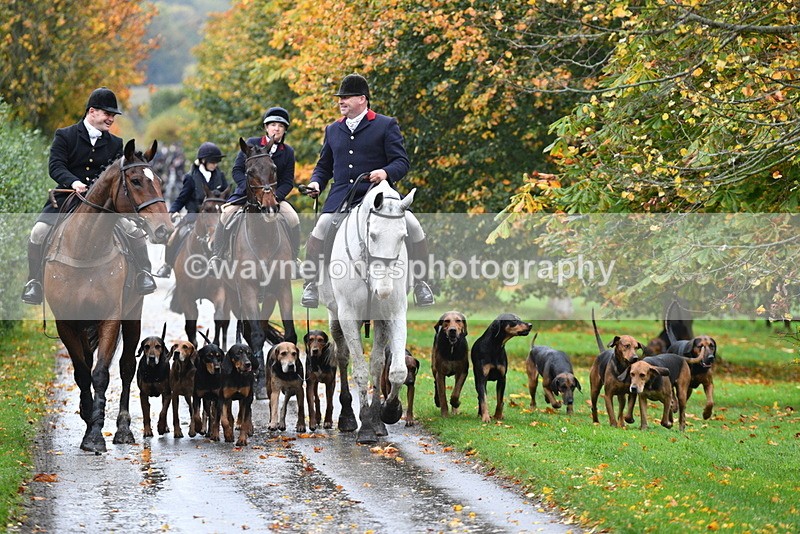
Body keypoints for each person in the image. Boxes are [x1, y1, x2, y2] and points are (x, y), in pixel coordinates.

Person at [300, 74, 434, 308]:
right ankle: (311, 283)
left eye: (346, 98)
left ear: (362, 99)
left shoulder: (385, 124)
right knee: (321, 226)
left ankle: (422, 282)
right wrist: (316, 183)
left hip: (379, 197)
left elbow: (401, 162)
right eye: (340, 98)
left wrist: (385, 172)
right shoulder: (332, 130)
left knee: (413, 225)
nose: (341, 102)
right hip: (342, 196)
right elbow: (324, 166)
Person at [21, 87, 157, 305]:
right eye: (107, 113)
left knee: (133, 231)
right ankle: (34, 282)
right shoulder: (65, 135)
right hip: (67, 198)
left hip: (104, 204)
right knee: (38, 231)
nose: (111, 118)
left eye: (113, 115)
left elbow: (116, 176)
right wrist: (74, 181)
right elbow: (55, 166)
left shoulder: (115, 143)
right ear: (92, 111)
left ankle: (143, 273)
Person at [209, 106, 301, 271]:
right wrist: (249, 190)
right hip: (247, 195)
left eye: (280, 126)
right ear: (266, 127)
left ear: (285, 129)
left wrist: (274, 196)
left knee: (294, 218)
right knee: (225, 215)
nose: (276, 128)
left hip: (273, 198)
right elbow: (237, 170)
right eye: (273, 124)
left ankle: (294, 259)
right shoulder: (251, 144)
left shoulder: (287, 152)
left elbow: (287, 181)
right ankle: (217, 256)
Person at [154, 142, 229, 278]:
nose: (215, 164)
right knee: (174, 235)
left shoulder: (220, 176)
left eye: (217, 162)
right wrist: (174, 210)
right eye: (213, 161)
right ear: (203, 161)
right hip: (194, 214)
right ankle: (168, 264)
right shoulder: (190, 177)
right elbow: (183, 197)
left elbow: (226, 195)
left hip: (214, 216)